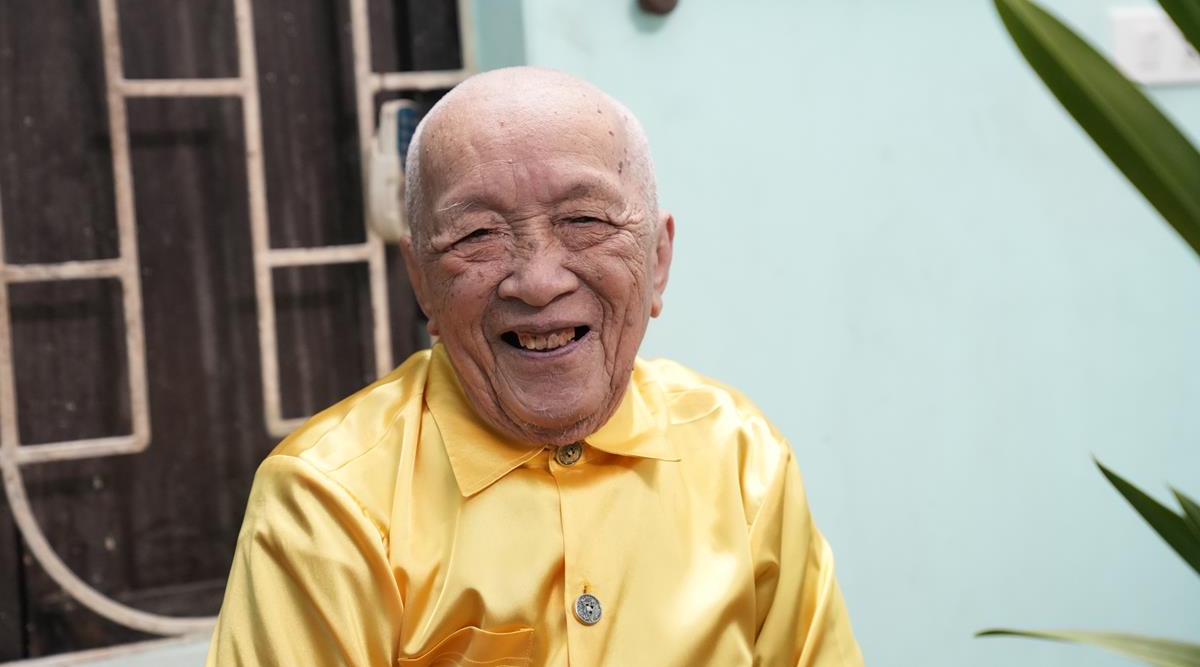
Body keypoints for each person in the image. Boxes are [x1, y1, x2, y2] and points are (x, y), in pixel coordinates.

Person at [206, 67, 864, 666]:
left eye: (584, 219)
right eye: (478, 234)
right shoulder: (329, 497)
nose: (540, 281)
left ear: (658, 260)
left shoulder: (741, 458)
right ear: (421, 280)